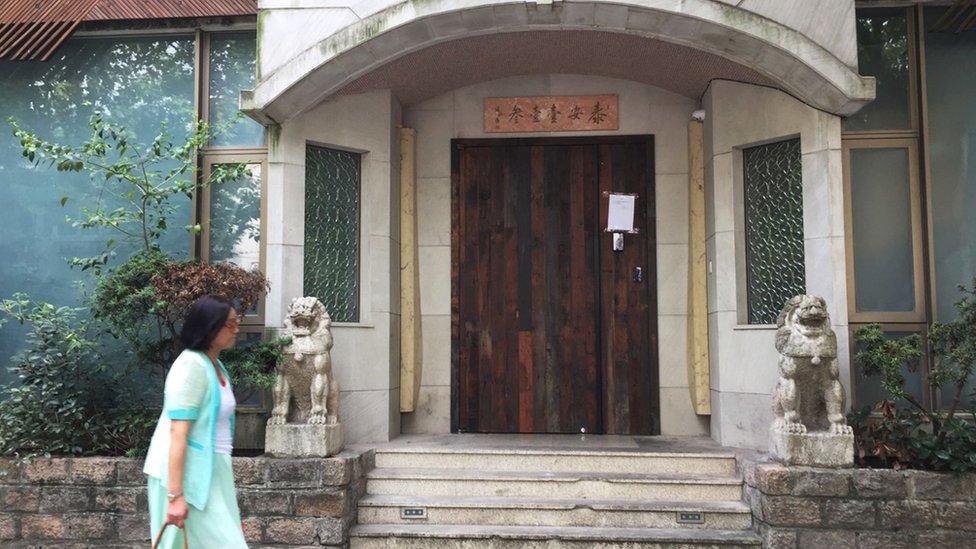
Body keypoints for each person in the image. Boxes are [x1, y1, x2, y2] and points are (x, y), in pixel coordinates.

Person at [143, 295, 248, 548]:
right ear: (210, 327)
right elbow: (178, 433)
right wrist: (175, 496)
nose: (237, 329)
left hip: (213, 470)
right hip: (186, 475)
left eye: (237, 322)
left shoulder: (215, 365)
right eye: (230, 324)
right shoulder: (191, 366)